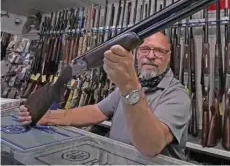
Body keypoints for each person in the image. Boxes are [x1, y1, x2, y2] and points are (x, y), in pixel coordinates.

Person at [17, 32, 191, 160]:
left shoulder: (177, 95)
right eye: (145, 49)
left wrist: (129, 85)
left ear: (169, 57)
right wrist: (49, 117)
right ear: (137, 54)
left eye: (159, 51)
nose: (151, 56)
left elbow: (151, 145)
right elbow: (96, 111)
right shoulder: (134, 85)